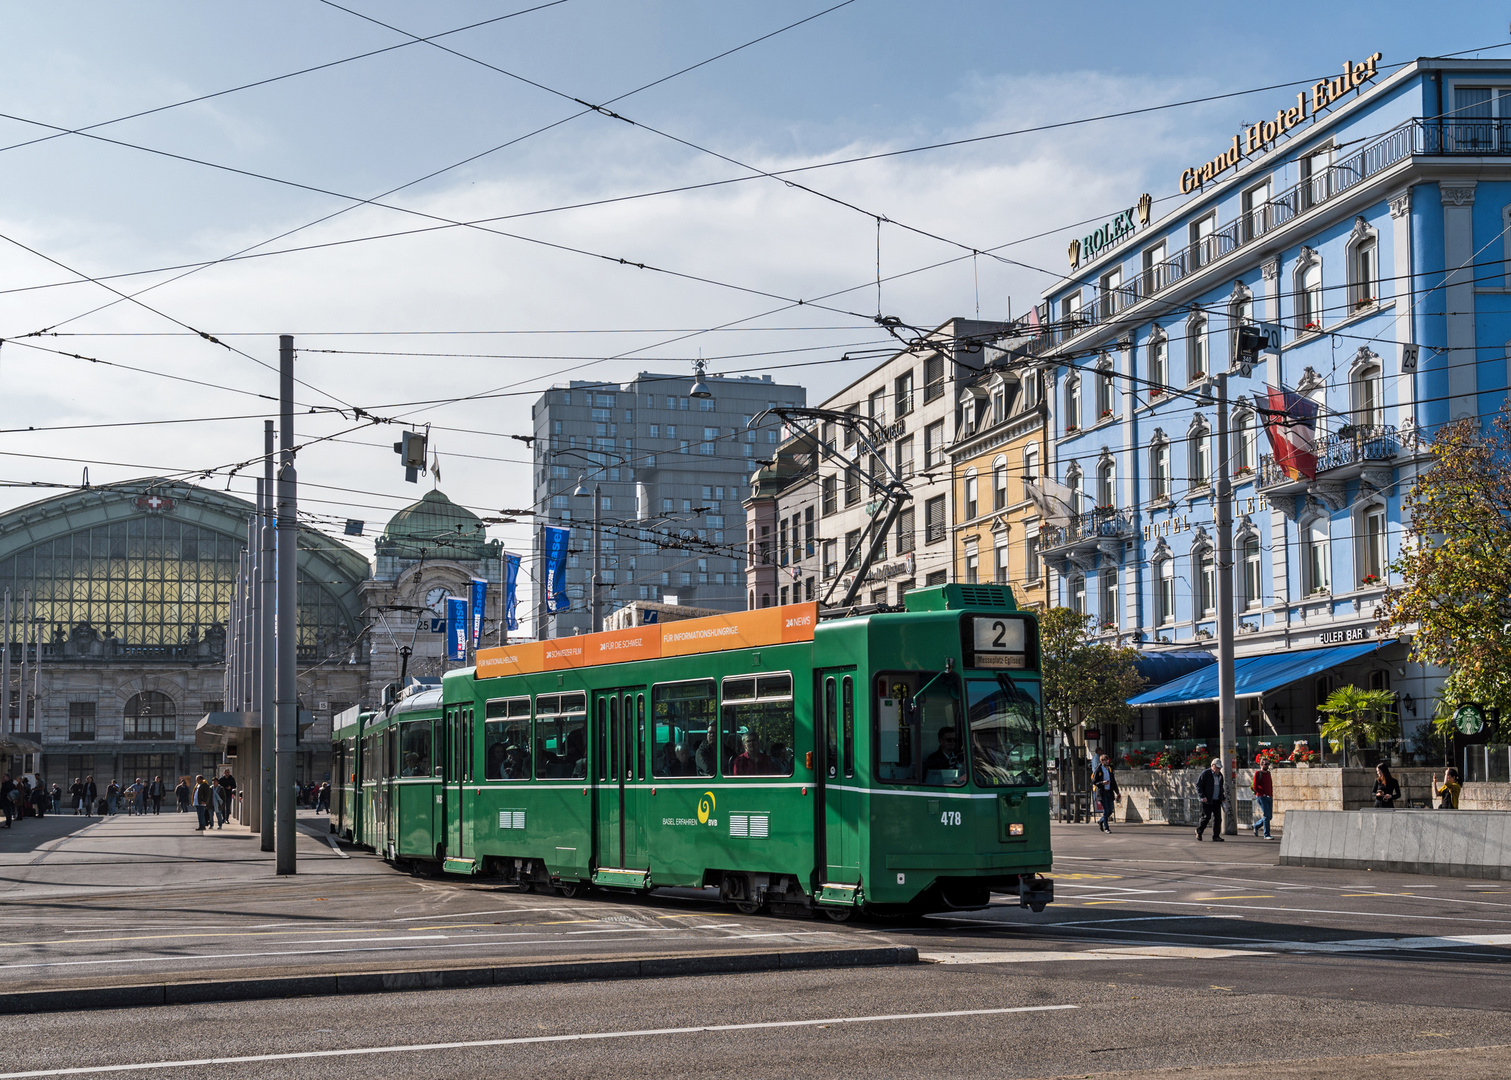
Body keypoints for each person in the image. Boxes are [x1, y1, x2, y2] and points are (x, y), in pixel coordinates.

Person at [1196, 757, 1226, 841]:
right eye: (1217, 767)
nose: (1218, 769)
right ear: (1212, 766)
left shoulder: (1220, 775)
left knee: (1218, 819)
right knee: (1206, 817)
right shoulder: (1206, 773)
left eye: (1219, 768)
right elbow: (1199, 785)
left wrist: (1222, 798)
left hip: (1217, 800)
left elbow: (1221, 788)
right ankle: (1199, 831)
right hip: (1207, 800)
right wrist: (1202, 796)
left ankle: (1216, 836)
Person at [1092, 752, 1119, 833]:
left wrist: (1117, 792)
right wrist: (1102, 783)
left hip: (1109, 792)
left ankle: (1101, 821)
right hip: (1102, 793)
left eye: (1107, 760)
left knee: (1110, 810)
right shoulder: (1098, 769)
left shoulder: (1109, 769)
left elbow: (1113, 782)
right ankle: (1106, 827)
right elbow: (1094, 781)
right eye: (1105, 761)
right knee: (1106, 810)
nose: (1107, 762)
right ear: (1102, 761)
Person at [1251, 760, 1274, 839]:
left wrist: (1270, 794)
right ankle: (1266, 834)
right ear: (1261, 764)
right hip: (1262, 797)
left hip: (1269, 797)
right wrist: (1262, 793)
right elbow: (1255, 786)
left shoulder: (1268, 773)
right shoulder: (1258, 773)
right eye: (1265, 764)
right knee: (1266, 815)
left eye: (1268, 764)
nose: (1267, 766)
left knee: (1269, 816)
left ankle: (1256, 825)